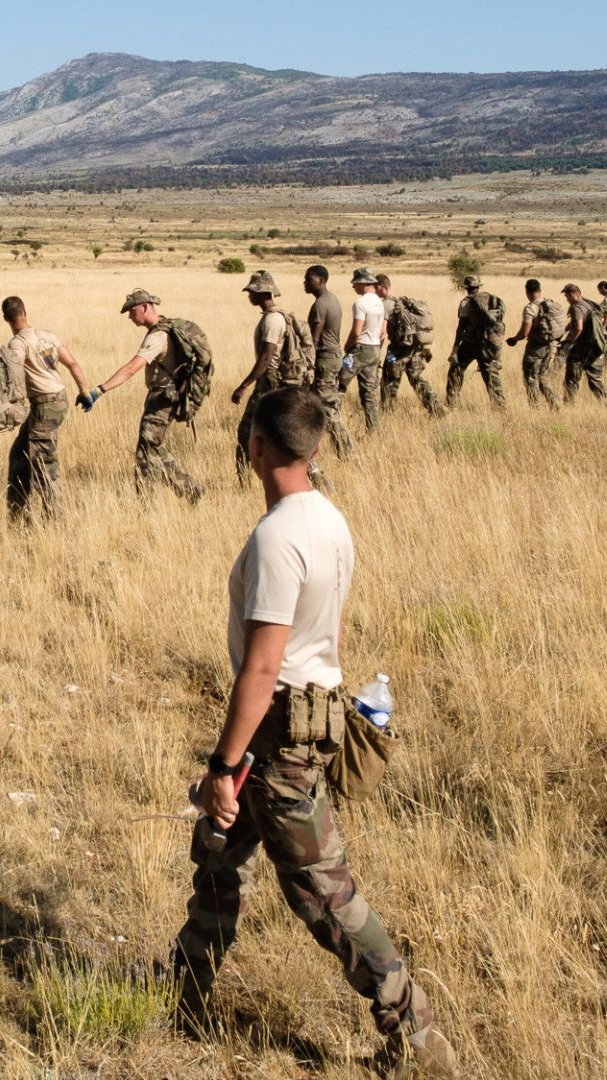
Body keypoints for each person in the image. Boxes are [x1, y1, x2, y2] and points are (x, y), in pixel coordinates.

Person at [171, 385, 456, 1076]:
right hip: (303, 716)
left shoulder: (277, 537)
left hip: (278, 740)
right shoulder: (328, 518)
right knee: (214, 846)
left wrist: (223, 763)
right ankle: (185, 987)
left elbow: (265, 665)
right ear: (317, 446)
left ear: (256, 446)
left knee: (325, 894)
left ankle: (414, 1033)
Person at [78, 289, 205, 503]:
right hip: (168, 396)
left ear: (144, 307)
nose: (129, 316)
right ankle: (188, 488)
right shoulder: (166, 327)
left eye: (131, 311)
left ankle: (148, 502)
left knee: (145, 452)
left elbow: (131, 369)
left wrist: (99, 390)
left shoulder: (157, 336)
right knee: (152, 446)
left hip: (162, 399)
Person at [1, 296, 91, 520]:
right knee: (19, 454)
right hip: (59, 398)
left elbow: (16, 369)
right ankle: (18, 514)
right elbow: (72, 363)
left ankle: (55, 518)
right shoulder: (48, 336)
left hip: (44, 403)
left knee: (42, 461)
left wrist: (10, 400)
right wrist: (85, 392)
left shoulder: (18, 343)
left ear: (6, 318)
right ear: (25, 312)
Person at [230, 270, 300, 482]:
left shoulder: (272, 320)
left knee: (246, 432)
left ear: (262, 293)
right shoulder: (276, 317)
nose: (249, 295)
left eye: (252, 291)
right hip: (273, 379)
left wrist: (244, 385)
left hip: (269, 380)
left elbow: (266, 357)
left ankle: (243, 482)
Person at [302, 265, 353, 457]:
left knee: (328, 409)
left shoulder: (320, 305)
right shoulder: (332, 299)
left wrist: (307, 362)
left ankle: (347, 451)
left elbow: (314, 340)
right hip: (333, 358)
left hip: (324, 358)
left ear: (321, 280)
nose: (305, 283)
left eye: (309, 279)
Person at [375, 274, 442, 417]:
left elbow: (382, 333)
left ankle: (387, 412)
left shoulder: (385, 305)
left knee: (389, 380)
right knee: (416, 378)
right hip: (416, 349)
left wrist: (376, 354)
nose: (374, 291)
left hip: (396, 352)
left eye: (376, 288)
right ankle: (435, 406)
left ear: (381, 287)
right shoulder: (402, 303)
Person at [445, 275, 506, 411]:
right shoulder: (489, 300)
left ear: (466, 288)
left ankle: (451, 405)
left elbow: (461, 327)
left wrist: (455, 348)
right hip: (488, 344)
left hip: (471, 343)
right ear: (478, 287)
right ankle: (500, 407)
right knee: (491, 374)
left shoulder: (466, 303)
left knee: (455, 371)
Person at [340, 267, 387, 431]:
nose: (353, 287)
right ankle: (374, 429)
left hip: (361, 349)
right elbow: (382, 332)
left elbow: (356, 331)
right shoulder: (379, 302)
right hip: (375, 349)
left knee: (338, 384)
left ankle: (332, 423)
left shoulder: (360, 303)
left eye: (355, 283)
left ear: (363, 283)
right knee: (370, 393)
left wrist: (347, 348)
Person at [506, 278, 561, 411]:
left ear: (527, 291)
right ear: (539, 290)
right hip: (551, 345)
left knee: (531, 377)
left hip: (536, 347)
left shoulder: (531, 308)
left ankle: (535, 408)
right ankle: (554, 403)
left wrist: (514, 339)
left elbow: (525, 332)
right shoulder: (552, 304)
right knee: (543, 376)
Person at [560, 284, 607, 403]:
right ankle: (606, 403)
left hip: (582, 348)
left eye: (567, 297)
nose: (567, 299)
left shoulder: (576, 307)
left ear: (573, 294)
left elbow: (578, 328)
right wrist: (563, 331)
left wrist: (569, 343)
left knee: (572, 377)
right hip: (595, 347)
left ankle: (569, 404)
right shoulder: (589, 304)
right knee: (595, 378)